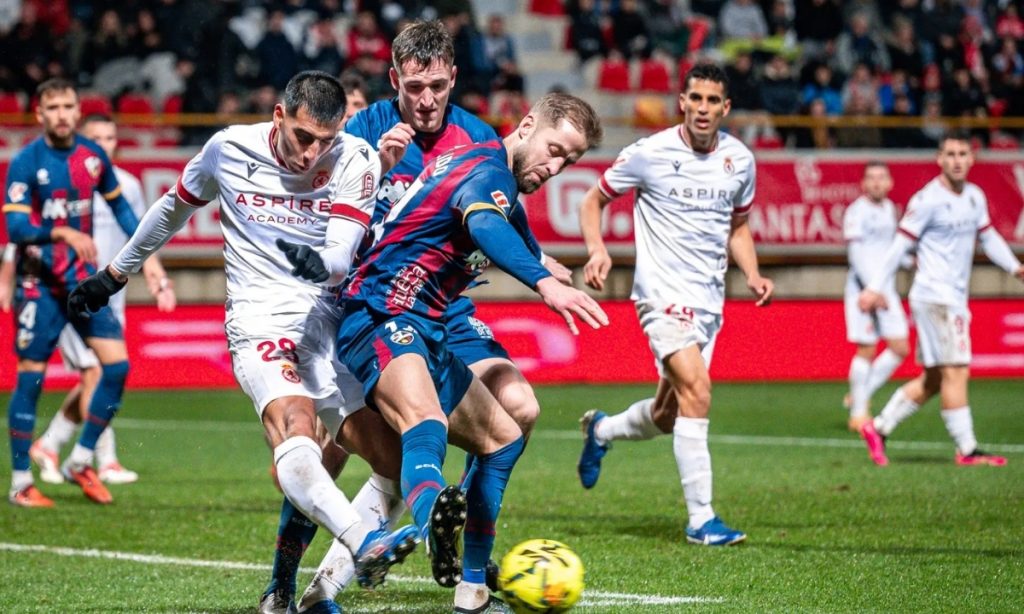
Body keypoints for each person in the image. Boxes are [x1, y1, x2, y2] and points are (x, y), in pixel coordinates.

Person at [66, 71, 420, 598]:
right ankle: (360, 538)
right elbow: (172, 209)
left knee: (393, 458)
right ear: (279, 117)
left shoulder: (355, 157)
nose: (312, 155)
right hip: (259, 319)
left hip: (329, 322)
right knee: (295, 423)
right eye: (304, 138)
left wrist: (318, 262)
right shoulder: (227, 148)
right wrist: (117, 273)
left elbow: (342, 255)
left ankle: (317, 593)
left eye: (326, 141)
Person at [266, 21, 573, 613]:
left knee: (517, 411)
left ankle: (450, 534)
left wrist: (540, 262)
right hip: (364, 300)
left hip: (445, 307)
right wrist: (373, 168)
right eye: (414, 88)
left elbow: (498, 214)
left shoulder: (478, 137)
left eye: (436, 86)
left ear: (453, 78)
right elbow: (314, 209)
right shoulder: (366, 130)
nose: (426, 101)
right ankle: (288, 585)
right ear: (394, 83)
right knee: (339, 446)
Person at [324, 92, 605, 612]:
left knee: (503, 436)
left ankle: (472, 590)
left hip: (427, 322)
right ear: (526, 126)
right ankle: (433, 526)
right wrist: (546, 283)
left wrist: (544, 259)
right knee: (422, 420)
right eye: (555, 149)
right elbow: (483, 222)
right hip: (379, 311)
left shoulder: (489, 172)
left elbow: (502, 221)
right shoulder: (489, 171)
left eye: (570, 159)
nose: (556, 166)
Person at [575, 63, 774, 546]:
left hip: (710, 302)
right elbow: (591, 200)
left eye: (713, 101)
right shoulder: (650, 153)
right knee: (699, 391)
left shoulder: (739, 161)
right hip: (662, 297)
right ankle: (702, 519)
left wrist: (751, 272)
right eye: (696, 99)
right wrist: (597, 251)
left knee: (670, 415)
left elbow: (738, 227)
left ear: (726, 108)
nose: (703, 109)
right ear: (681, 101)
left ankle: (601, 430)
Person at [4, 78, 162, 507]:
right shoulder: (25, 162)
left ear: (77, 110)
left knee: (116, 368)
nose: (61, 114)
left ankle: (81, 458)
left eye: (68, 106)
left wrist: (148, 258)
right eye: (52, 107)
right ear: (39, 114)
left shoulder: (91, 158)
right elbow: (16, 227)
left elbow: (124, 210)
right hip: (39, 285)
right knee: (31, 377)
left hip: (81, 284)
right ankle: (20, 482)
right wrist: (61, 232)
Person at [857, 131, 1024, 467]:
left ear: (972, 159)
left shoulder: (975, 197)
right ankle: (968, 449)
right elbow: (900, 246)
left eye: (963, 154)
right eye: (950, 154)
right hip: (936, 296)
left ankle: (878, 427)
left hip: (952, 298)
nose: (957, 160)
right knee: (957, 371)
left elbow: (988, 237)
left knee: (934, 378)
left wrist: (1015, 267)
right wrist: (875, 287)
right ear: (939, 159)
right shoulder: (927, 200)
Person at [841, 162, 910, 432]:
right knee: (867, 349)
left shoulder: (890, 209)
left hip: (885, 289)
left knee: (900, 348)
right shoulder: (857, 212)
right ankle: (858, 414)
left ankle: (860, 393)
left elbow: (889, 250)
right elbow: (856, 255)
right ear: (863, 184)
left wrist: (910, 260)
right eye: (871, 178)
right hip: (863, 290)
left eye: (882, 178)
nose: (877, 183)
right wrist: (872, 289)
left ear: (890, 182)